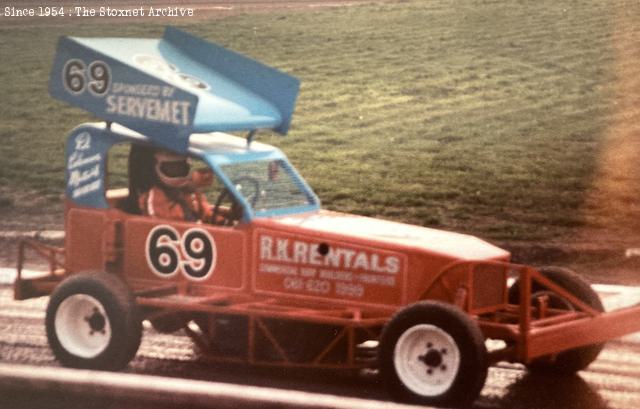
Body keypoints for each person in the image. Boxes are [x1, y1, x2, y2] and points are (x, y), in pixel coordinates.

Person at [138, 149, 214, 222]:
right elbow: (157, 224)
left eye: (180, 168)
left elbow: (206, 214)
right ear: (158, 167)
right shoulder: (154, 197)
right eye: (171, 168)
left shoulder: (190, 192)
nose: (177, 171)